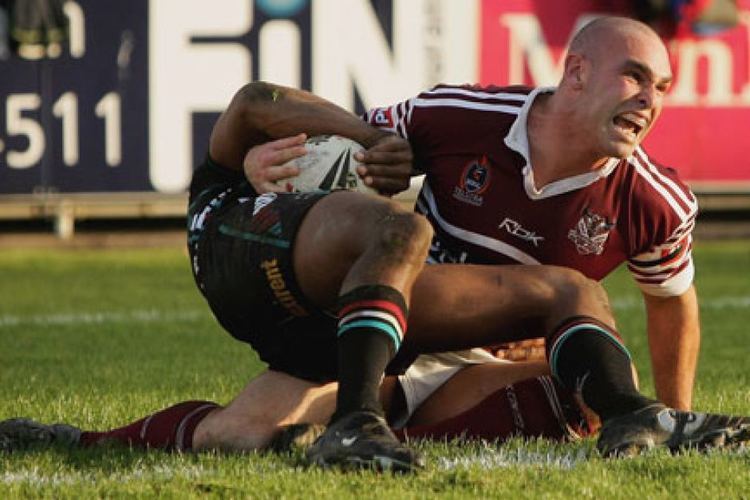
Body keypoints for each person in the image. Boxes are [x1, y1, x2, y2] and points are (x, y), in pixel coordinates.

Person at [3, 15, 749, 468]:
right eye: (635, 79)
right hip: (395, 316)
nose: (652, 101)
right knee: (248, 430)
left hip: (488, 366)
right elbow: (355, 151)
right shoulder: (457, 114)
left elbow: (671, 303)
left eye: (664, 87)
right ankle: (71, 441)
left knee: (573, 395)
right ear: (577, 72)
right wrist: (268, 163)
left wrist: (674, 412)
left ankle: (631, 418)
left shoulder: (656, 196)